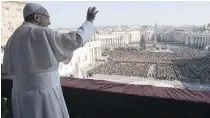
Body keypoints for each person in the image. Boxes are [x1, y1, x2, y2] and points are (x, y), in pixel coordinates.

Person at [2, 3, 98, 118]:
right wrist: (89, 22)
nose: (50, 23)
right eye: (48, 18)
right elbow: (74, 41)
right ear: (37, 17)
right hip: (43, 96)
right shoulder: (40, 33)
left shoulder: (12, 38)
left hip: (20, 96)